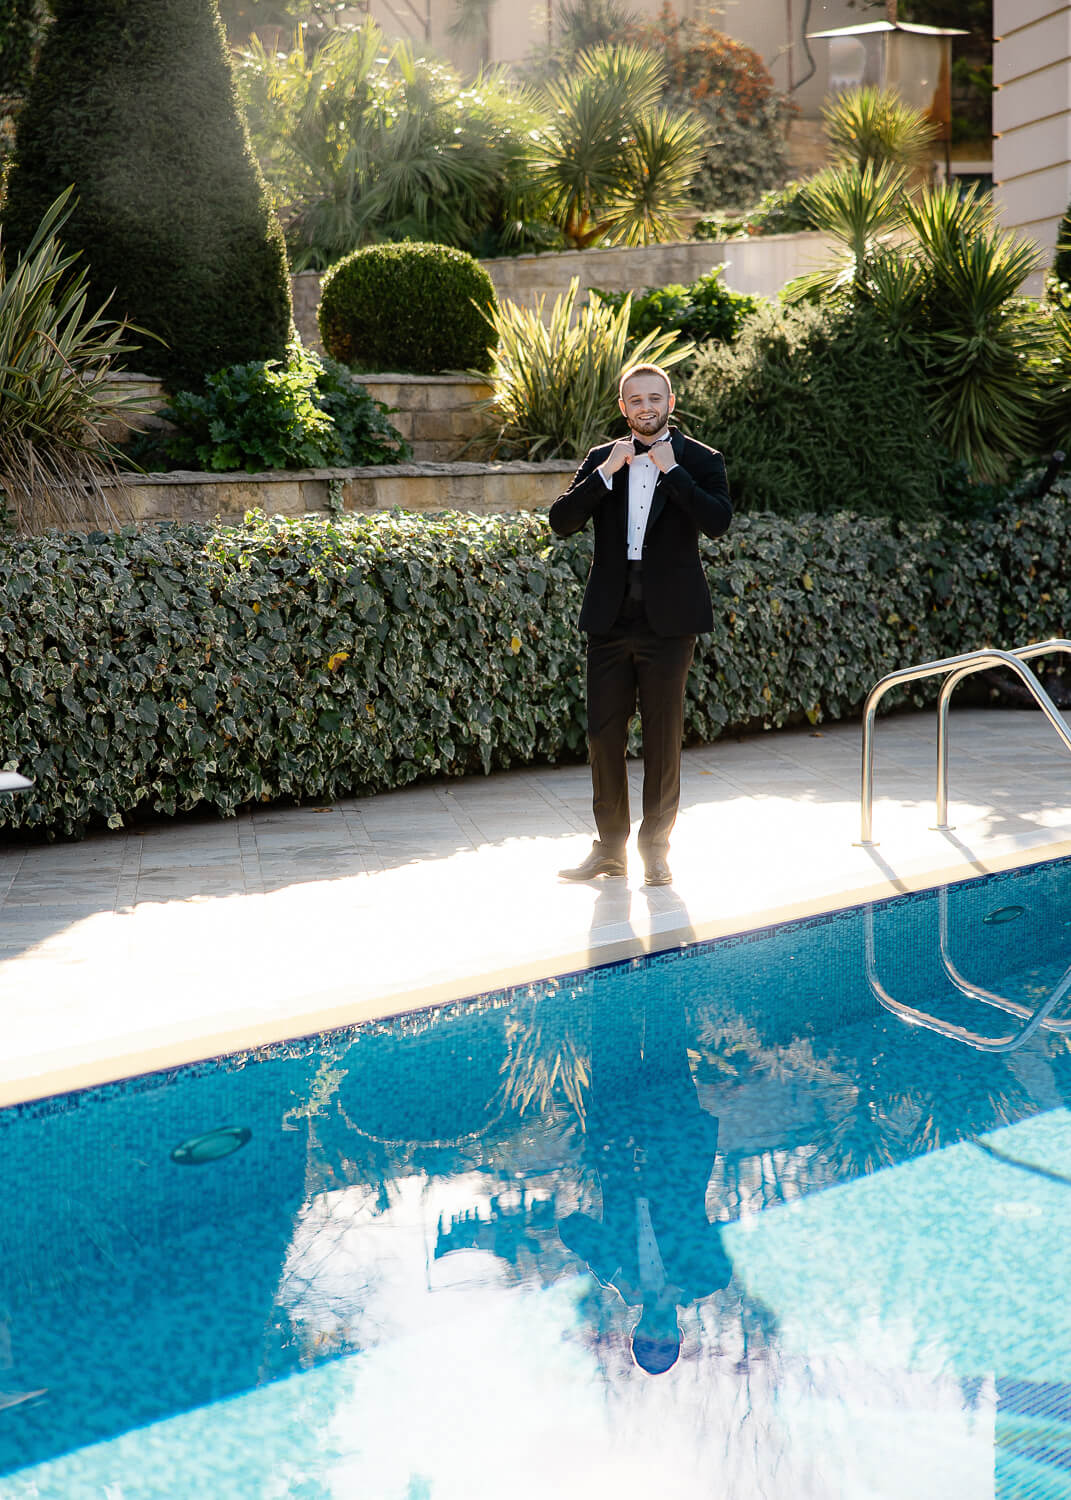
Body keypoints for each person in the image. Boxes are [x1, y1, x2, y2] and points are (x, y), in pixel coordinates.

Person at [550, 362, 732, 886]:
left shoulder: (702, 460)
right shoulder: (601, 459)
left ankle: (656, 851)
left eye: (655, 398)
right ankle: (610, 849)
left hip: (669, 623)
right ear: (623, 407)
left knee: (662, 736)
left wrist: (674, 473)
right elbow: (561, 521)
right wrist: (605, 474)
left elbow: (717, 522)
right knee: (602, 736)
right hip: (610, 619)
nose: (646, 407)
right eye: (636, 400)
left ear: (670, 403)